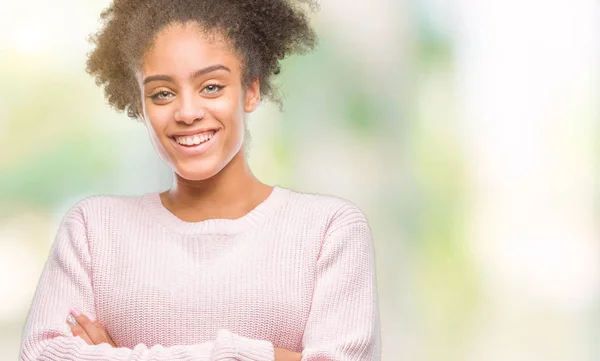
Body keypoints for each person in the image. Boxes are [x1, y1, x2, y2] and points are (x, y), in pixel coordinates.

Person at [19, 0, 381, 360]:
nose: (188, 113)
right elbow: (41, 353)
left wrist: (122, 356)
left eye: (211, 87)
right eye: (162, 93)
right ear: (140, 104)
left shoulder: (329, 230)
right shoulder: (92, 230)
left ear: (251, 91)